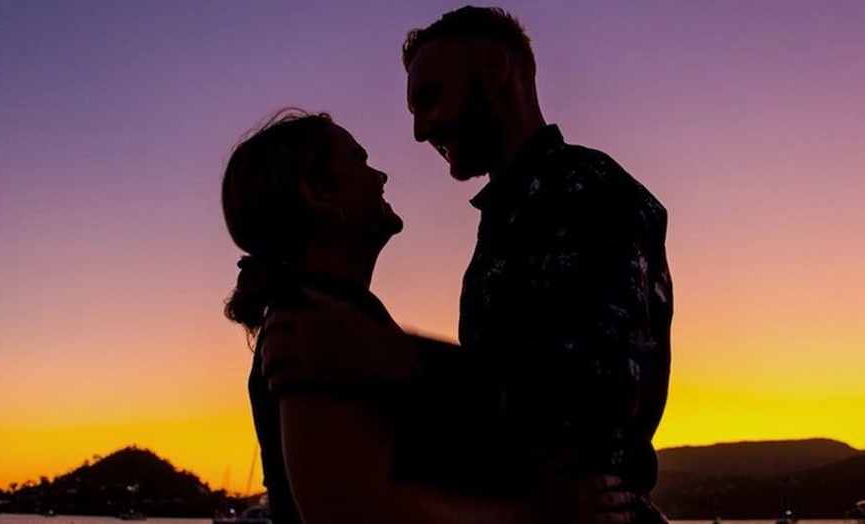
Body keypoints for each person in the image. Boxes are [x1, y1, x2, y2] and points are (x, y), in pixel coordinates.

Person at [261, 5, 673, 524]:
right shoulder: (507, 218)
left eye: (429, 97)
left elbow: (597, 399)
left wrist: (396, 359)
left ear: (495, 70)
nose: (418, 131)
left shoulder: (588, 191)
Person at [222, 109, 637, 523]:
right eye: (358, 160)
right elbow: (351, 509)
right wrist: (538, 514)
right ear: (317, 195)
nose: (380, 175)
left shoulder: (338, 316)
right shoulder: (312, 321)